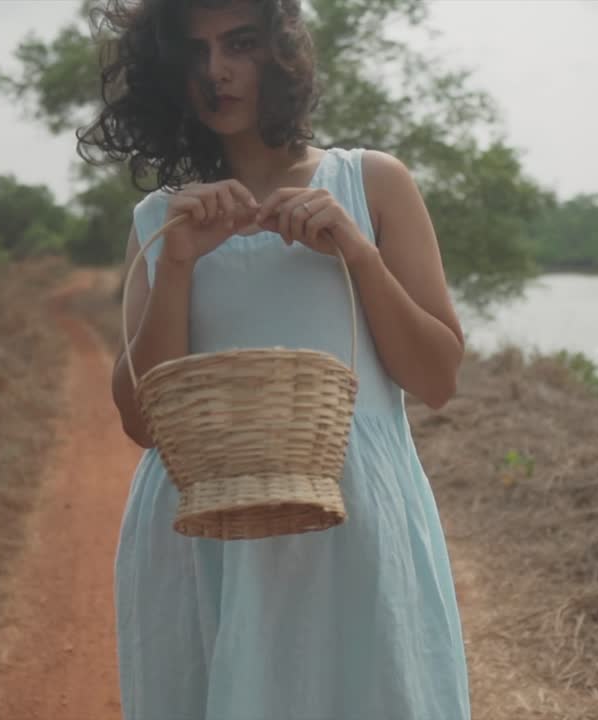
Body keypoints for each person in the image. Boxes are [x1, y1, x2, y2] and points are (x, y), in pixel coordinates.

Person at [77, 0, 470, 717]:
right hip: (203, 532)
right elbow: (140, 420)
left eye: (239, 44)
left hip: (349, 526)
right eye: (194, 53)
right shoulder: (162, 220)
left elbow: (438, 376)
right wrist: (180, 264)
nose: (216, 72)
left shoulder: (370, 183)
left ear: (281, 52)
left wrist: (356, 252)